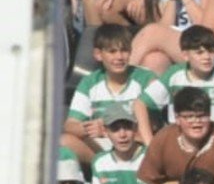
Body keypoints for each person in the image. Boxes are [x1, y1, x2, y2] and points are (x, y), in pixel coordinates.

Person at [64, 24, 159, 167]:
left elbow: (155, 124)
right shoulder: (90, 82)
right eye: (112, 51)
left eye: (124, 51)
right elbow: (70, 125)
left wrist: (114, 127)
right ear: (98, 54)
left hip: (136, 144)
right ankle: (105, 167)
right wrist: (90, 128)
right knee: (64, 142)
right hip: (102, 146)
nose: (119, 57)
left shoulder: (146, 78)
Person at [89, 103, 153, 184]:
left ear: (135, 128)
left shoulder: (151, 157)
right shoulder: (100, 162)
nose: (122, 134)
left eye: (127, 127)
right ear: (105, 132)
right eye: (115, 129)